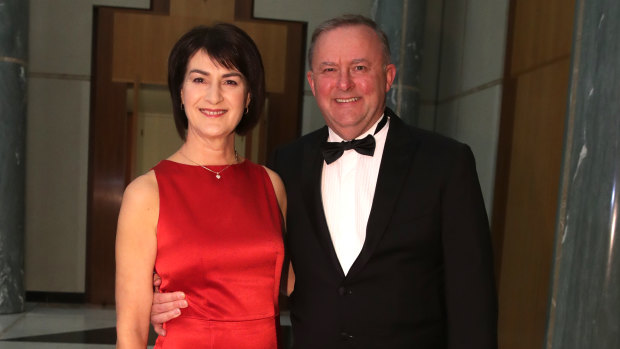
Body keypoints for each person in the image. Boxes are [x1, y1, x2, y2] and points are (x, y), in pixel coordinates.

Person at [150, 15, 497, 348]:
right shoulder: (283, 167)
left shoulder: (445, 163)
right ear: (313, 83)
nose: (343, 83)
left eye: (359, 68)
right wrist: (167, 297)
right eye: (329, 70)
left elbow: (473, 300)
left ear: (388, 77)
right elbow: (241, 263)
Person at [115, 24, 287, 348]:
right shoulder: (145, 194)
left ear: (248, 96)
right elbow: (131, 333)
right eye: (199, 79)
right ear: (180, 92)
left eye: (230, 81)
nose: (214, 96)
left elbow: (295, 283)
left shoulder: (271, 185)